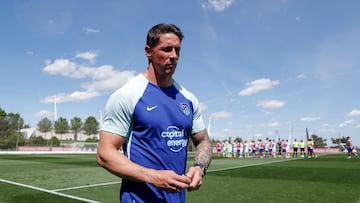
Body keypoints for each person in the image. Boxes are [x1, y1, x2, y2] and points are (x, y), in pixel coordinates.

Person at [96, 23, 212, 203]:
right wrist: (152, 176)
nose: (173, 56)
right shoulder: (128, 95)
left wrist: (200, 167)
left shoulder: (188, 99)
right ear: (148, 51)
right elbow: (104, 154)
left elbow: (203, 141)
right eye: (166, 49)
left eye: (177, 50)